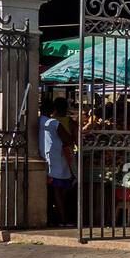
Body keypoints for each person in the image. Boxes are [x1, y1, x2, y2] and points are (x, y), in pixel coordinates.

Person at [40, 97, 76, 227]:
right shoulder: (54, 123)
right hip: (57, 160)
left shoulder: (37, 122)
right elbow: (68, 139)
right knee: (59, 190)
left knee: (54, 190)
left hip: (45, 158)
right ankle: (63, 219)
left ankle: (55, 217)